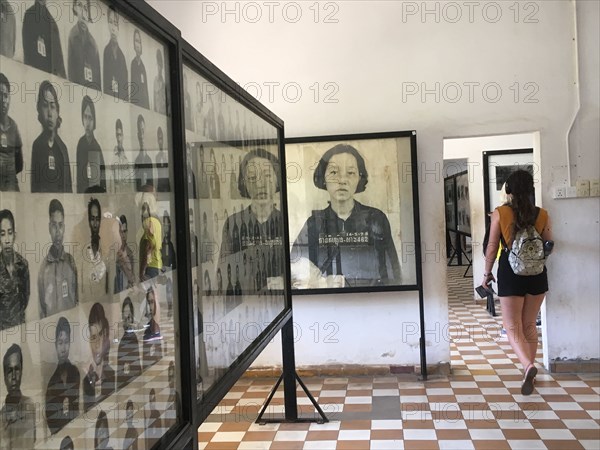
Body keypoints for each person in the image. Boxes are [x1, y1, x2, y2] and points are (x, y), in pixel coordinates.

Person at [482, 169, 553, 396]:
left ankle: (528, 366)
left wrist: (486, 273)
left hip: (510, 273)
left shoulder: (500, 213)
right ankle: (528, 373)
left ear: (509, 190)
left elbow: (493, 246)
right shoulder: (542, 214)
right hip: (537, 273)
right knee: (529, 324)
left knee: (512, 326)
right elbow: (550, 243)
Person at [291, 144, 401, 287]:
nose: (342, 180)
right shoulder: (314, 223)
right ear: (323, 178)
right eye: (334, 172)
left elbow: (393, 273)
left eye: (350, 173)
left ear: (359, 179)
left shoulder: (375, 218)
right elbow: (295, 268)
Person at [220, 148, 284, 290]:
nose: (260, 184)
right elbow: (224, 272)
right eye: (252, 178)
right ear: (245, 184)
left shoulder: (285, 221)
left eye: (267, 175)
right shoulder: (233, 224)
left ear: (277, 179)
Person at [31, 81, 73, 193]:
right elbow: (34, 188)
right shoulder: (37, 146)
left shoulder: (62, 149)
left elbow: (68, 189)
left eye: (53, 106)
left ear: (57, 111)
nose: (49, 113)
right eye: (45, 106)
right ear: (39, 109)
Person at [39, 199, 78, 318]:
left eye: (60, 225)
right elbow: (42, 310)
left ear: (64, 228)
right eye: (54, 226)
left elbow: (77, 301)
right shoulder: (44, 268)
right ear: (49, 228)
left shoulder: (70, 262)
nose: (57, 232)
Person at [45, 316, 80, 434]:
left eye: (66, 342)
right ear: (55, 345)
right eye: (60, 343)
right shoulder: (52, 383)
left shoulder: (75, 373)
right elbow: (51, 420)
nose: (63, 349)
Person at [0, 344, 36, 447]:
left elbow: (33, 441)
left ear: (22, 371)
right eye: (10, 371)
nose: (14, 377)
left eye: (17, 369)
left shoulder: (30, 405)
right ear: (4, 377)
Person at [0, 209, 30, 330]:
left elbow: (26, 297)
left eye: (9, 232)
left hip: (21, 329)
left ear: (14, 235)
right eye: (2, 234)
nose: (7, 239)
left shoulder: (23, 265)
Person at [83, 302, 115, 412]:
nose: (97, 344)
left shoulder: (111, 375)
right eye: (93, 338)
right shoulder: (86, 380)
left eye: (100, 336)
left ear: (105, 335)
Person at [22, 0, 66, 77]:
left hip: (49, 76)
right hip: (34, 73)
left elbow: (58, 57)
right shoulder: (29, 15)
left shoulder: (52, 22)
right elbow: (27, 51)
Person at [80, 198, 110, 301]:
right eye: (92, 219)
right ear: (88, 221)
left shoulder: (105, 246)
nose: (95, 224)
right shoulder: (83, 248)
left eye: (98, 219)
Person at [68, 0, 101, 89]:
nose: (83, 13)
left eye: (86, 9)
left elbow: (98, 82)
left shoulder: (93, 44)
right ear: (74, 8)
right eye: (79, 6)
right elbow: (70, 74)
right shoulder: (72, 36)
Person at [76, 96, 106, 193]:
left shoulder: (96, 147)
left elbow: (102, 178)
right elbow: (79, 177)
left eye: (90, 118)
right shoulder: (80, 144)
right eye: (85, 117)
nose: (87, 123)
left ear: (94, 121)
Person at [0, 72, 23, 191]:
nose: (2, 100)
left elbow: (19, 165)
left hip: (12, 188)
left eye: (5, 95)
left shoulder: (14, 127)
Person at [103, 5, 128, 102]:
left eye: (115, 23)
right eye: (110, 22)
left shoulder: (122, 57)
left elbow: (125, 89)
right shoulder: (106, 51)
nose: (113, 28)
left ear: (118, 27)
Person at [117, 297, 141, 389]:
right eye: (124, 318)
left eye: (128, 318)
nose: (126, 322)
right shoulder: (123, 341)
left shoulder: (132, 340)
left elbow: (137, 370)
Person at [138, 194, 162, 281]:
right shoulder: (157, 223)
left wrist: (141, 272)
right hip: (157, 265)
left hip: (150, 267)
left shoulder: (148, 223)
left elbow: (148, 246)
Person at [110, 118, 135, 193]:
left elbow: (131, 180)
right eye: (117, 135)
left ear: (123, 135)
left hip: (126, 194)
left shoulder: (127, 157)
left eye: (120, 135)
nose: (119, 138)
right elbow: (112, 181)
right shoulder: (113, 158)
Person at [115, 215, 136, 293]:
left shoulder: (130, 253)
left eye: (125, 231)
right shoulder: (114, 253)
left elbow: (133, 278)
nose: (123, 235)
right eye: (121, 231)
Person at [134, 114, 154, 191]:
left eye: (143, 131)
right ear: (137, 135)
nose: (141, 136)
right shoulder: (137, 161)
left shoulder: (149, 160)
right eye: (139, 131)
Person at [130, 29, 149, 109]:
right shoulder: (132, 64)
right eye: (136, 41)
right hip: (135, 105)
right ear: (133, 44)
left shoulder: (143, 66)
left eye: (139, 42)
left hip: (144, 105)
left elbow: (145, 90)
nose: (138, 45)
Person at [156, 127, 170, 192]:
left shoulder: (167, 155)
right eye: (159, 139)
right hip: (160, 185)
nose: (160, 141)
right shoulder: (157, 156)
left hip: (167, 184)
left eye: (161, 138)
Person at [153, 49, 167, 115]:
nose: (159, 68)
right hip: (156, 113)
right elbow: (154, 100)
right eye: (157, 65)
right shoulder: (155, 81)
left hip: (163, 113)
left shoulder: (164, 83)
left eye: (160, 65)